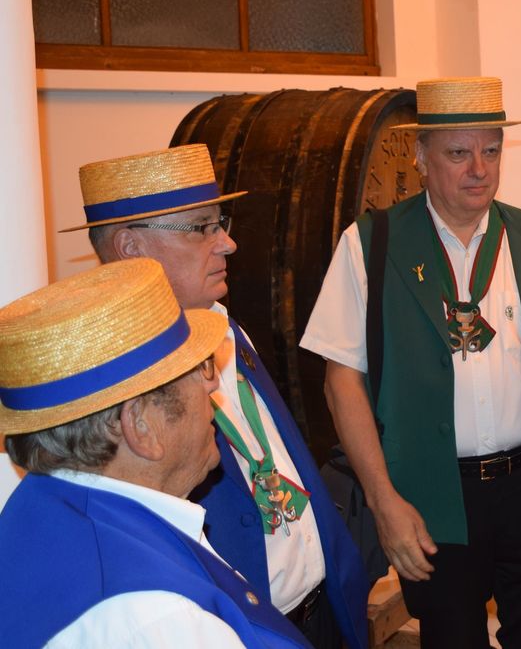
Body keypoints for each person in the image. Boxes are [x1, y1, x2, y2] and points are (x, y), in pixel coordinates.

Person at [301, 76, 521, 649]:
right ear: (421, 156)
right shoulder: (370, 244)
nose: (479, 169)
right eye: (458, 153)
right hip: (432, 494)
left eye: (491, 151)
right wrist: (383, 500)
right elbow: (341, 381)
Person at [61, 144, 372, 649]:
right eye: (201, 228)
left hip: (321, 610)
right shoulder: (116, 389)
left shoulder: (227, 329)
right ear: (130, 247)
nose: (228, 243)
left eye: (220, 223)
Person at [0, 258, 312, 648]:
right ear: (141, 427)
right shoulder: (161, 620)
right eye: (198, 368)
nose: (212, 383)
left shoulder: (45, 507)